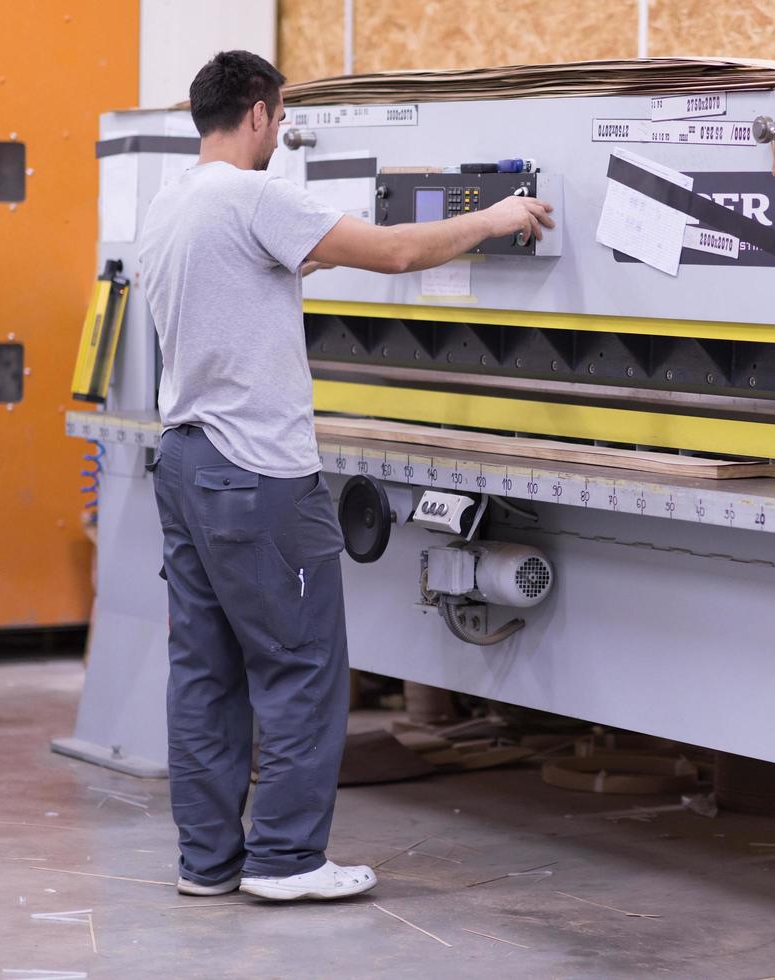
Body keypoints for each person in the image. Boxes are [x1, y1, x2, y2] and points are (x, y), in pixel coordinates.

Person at [139, 50, 553, 902]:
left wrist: (321, 247)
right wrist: (497, 213)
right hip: (255, 468)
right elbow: (399, 255)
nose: (281, 133)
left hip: (184, 459)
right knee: (299, 664)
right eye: (281, 118)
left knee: (205, 673)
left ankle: (207, 864)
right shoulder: (257, 195)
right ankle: (287, 863)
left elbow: (264, 270)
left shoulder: (171, 201)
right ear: (258, 112)